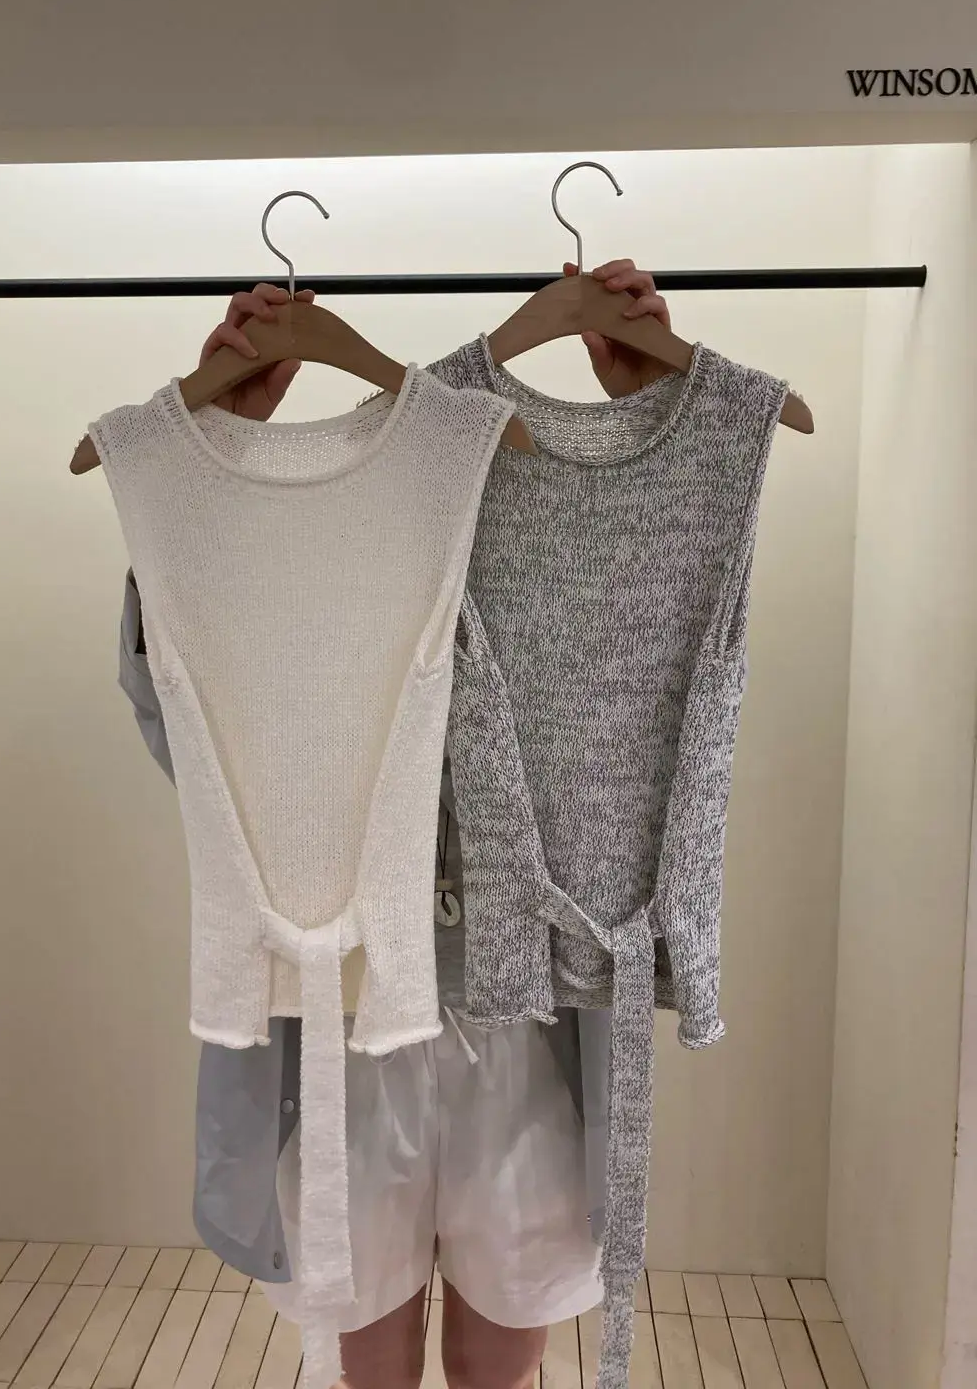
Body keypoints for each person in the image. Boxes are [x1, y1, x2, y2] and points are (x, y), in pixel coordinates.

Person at [120, 260, 673, 1389]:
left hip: (527, 1016)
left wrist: (644, 436)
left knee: (498, 1359)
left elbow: (654, 692)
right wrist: (213, 471)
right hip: (341, 1005)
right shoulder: (319, 547)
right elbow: (188, 721)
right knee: (367, 1362)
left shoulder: (549, 528)